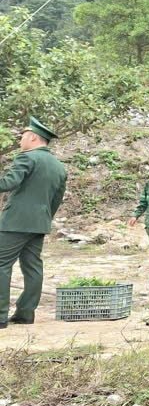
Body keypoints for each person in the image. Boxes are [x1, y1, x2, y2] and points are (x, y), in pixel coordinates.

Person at [0, 118, 67, 329]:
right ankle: (26, 313)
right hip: (39, 223)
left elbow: (9, 183)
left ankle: (1, 315)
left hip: (16, 222)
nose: (20, 140)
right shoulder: (58, 166)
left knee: (1, 265)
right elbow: (57, 198)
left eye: (22, 136)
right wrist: (45, 217)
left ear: (33, 137)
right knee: (32, 267)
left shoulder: (27, 158)